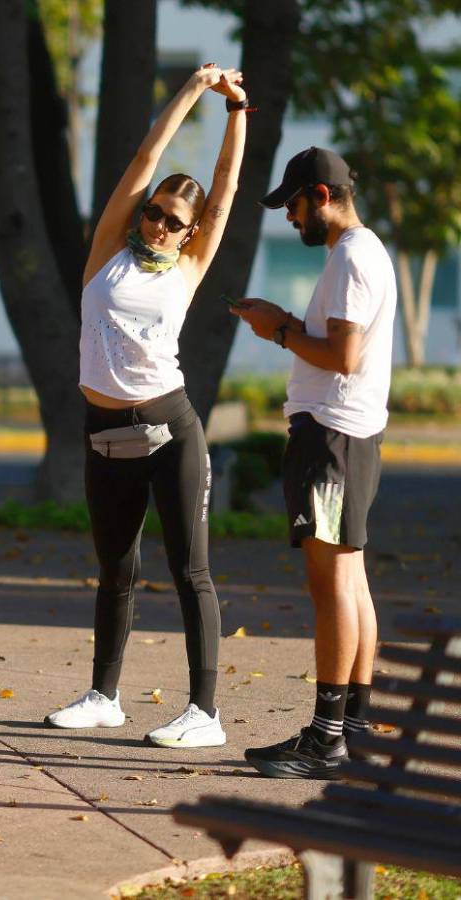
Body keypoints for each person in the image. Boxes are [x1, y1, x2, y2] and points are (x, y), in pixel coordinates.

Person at [43, 64, 249, 749]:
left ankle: (205, 712)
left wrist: (236, 113)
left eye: (173, 221)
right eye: (155, 212)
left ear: (190, 234)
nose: (159, 224)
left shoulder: (188, 267)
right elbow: (144, 157)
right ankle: (104, 695)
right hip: (102, 429)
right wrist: (193, 89)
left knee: (189, 570)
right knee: (116, 568)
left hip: (168, 428)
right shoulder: (107, 254)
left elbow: (223, 197)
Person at [231, 148, 395, 779]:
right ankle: (351, 727)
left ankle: (326, 740)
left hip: (329, 438)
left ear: (322, 195)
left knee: (330, 588)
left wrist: (277, 330)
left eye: (294, 205)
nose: (290, 218)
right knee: (351, 582)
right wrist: (289, 322)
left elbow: (343, 357)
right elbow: (336, 344)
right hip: (351, 437)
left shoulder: (352, 257)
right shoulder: (364, 251)